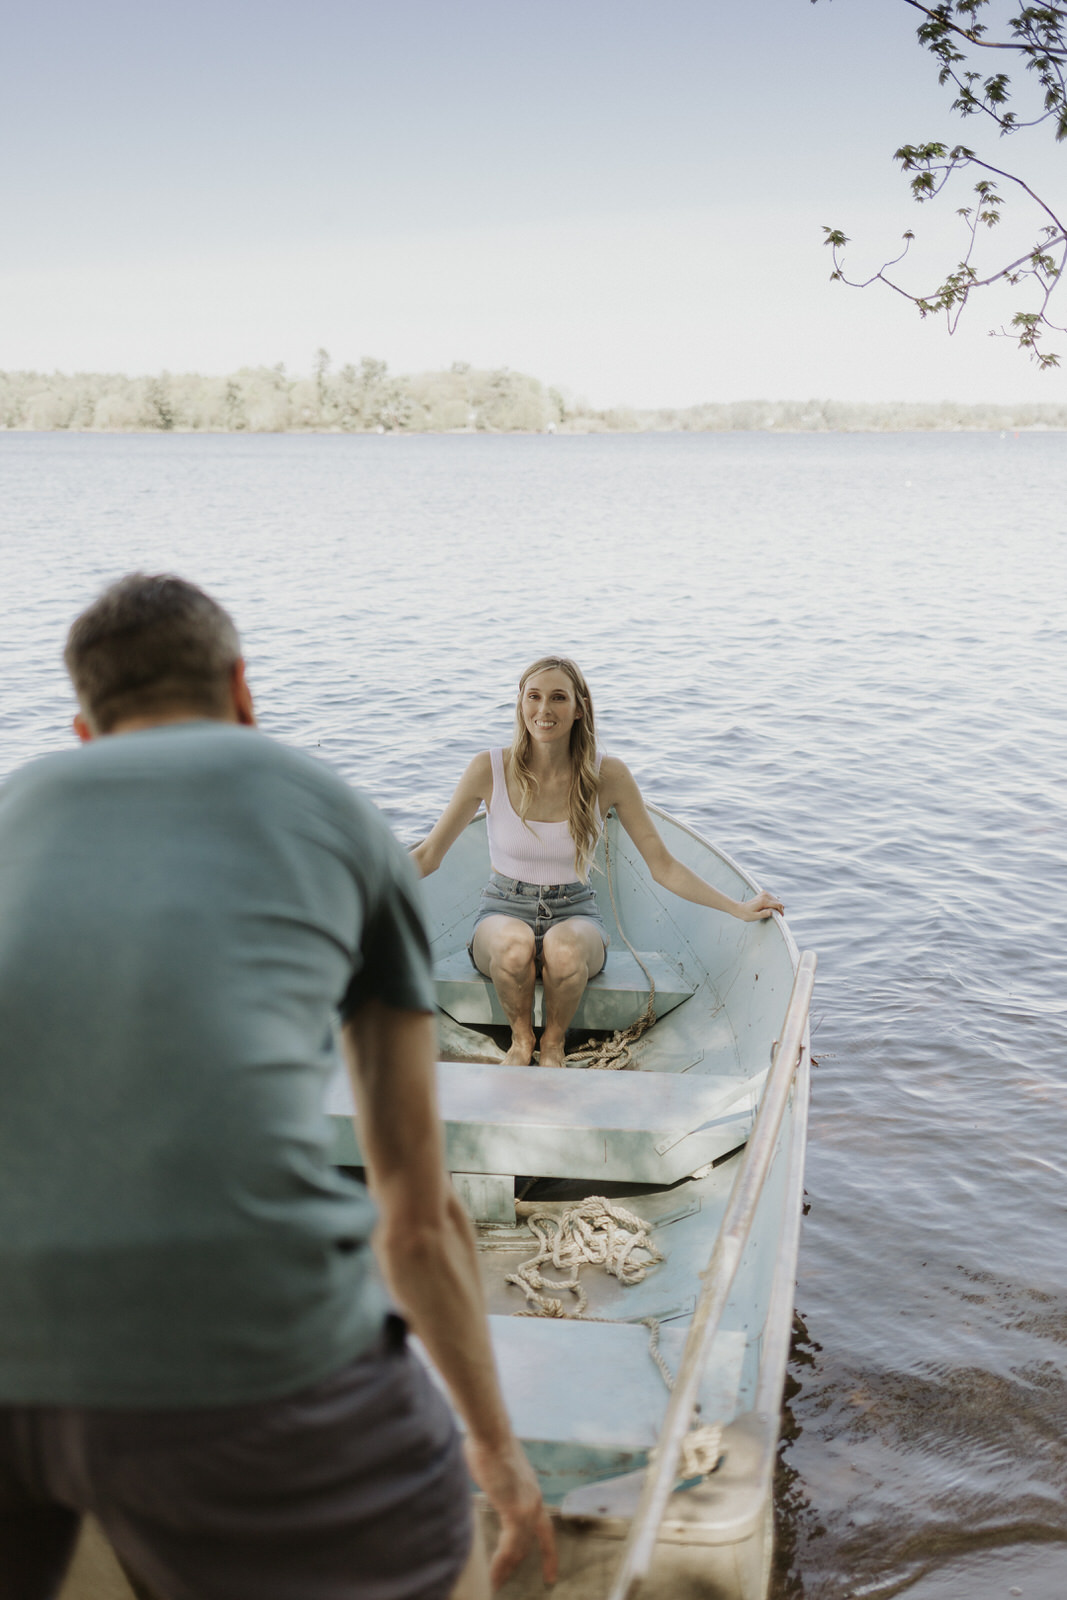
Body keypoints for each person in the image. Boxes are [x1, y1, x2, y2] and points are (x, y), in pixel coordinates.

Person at [0, 575, 555, 1600]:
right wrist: (497, 1452)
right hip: (230, 1362)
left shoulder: (13, 805)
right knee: (450, 1559)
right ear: (242, 691)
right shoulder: (333, 815)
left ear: (84, 729)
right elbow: (417, 1219)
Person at [411, 656, 784, 1070]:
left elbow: (663, 865)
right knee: (514, 947)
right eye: (533, 697)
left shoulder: (608, 775)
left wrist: (738, 907)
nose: (544, 710)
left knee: (565, 951)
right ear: (520, 703)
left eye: (558, 698)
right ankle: (521, 1039)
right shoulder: (489, 768)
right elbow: (427, 856)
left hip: (575, 911)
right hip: (502, 908)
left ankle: (552, 1043)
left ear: (579, 706)